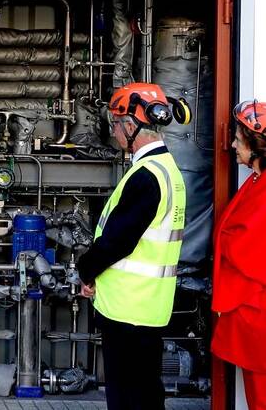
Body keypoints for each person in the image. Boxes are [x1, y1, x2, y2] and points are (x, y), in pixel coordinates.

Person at [77, 82, 187, 410]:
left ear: (131, 126)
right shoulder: (167, 171)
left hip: (128, 309)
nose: (114, 133)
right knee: (146, 393)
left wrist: (86, 270)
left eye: (115, 124)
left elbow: (118, 241)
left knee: (128, 398)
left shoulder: (146, 176)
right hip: (148, 306)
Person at [211, 99, 266, 409]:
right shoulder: (256, 182)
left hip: (258, 317)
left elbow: (249, 247)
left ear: (256, 145)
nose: (232, 144)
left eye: (238, 139)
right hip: (252, 314)